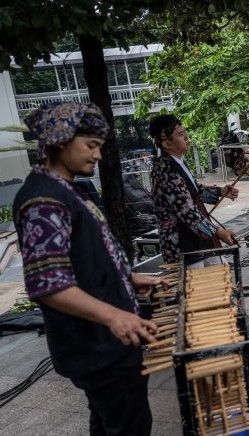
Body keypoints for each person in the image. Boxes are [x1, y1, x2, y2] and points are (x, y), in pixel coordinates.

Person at [14, 102, 168, 434]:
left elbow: (85, 259)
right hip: (97, 347)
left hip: (105, 345)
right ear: (60, 140)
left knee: (108, 423)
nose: (97, 156)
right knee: (129, 426)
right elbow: (48, 284)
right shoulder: (43, 201)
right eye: (91, 146)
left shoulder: (65, 191)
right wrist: (115, 315)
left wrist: (129, 279)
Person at [149, 114, 239, 264]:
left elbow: (194, 191)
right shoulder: (165, 169)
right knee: (197, 286)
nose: (186, 138)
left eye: (185, 133)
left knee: (220, 277)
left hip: (198, 238)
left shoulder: (177, 162)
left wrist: (221, 192)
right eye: (180, 134)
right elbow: (187, 211)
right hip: (182, 244)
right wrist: (219, 232)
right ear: (166, 144)